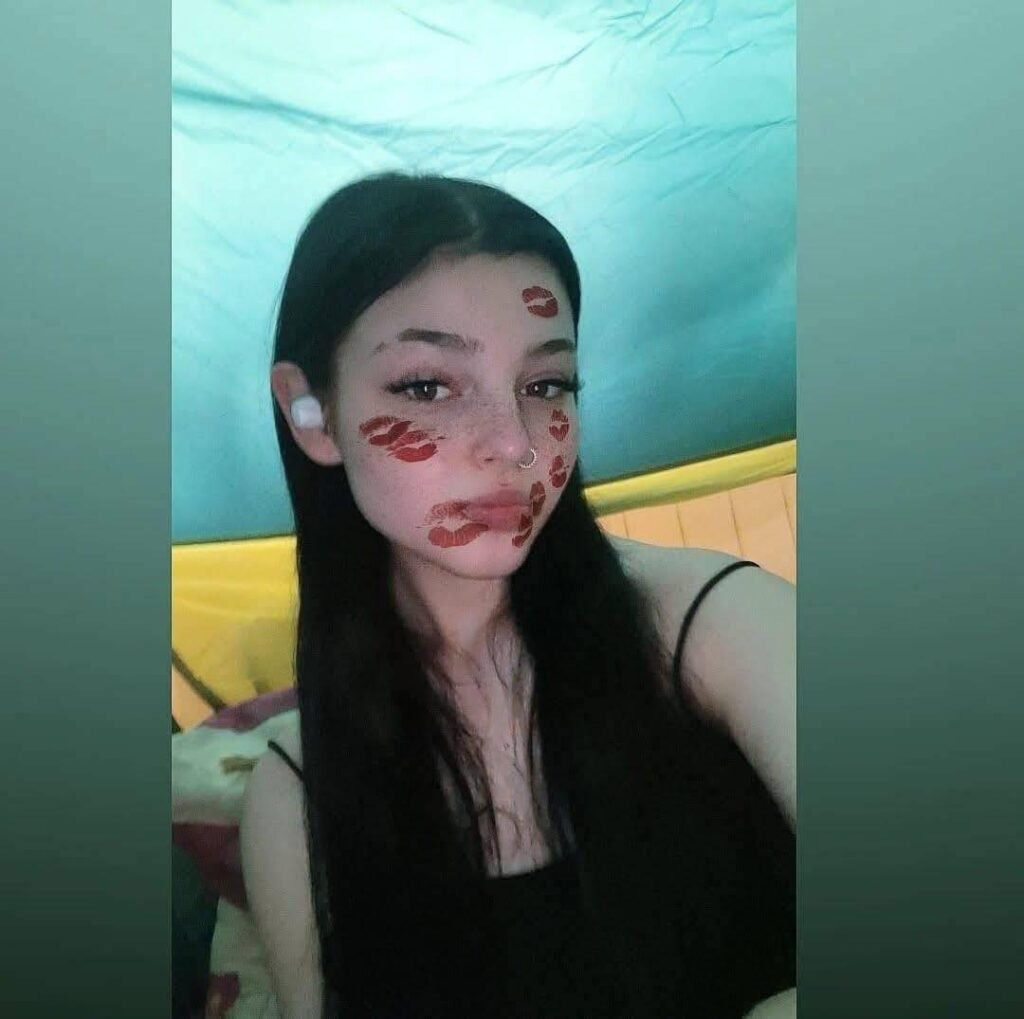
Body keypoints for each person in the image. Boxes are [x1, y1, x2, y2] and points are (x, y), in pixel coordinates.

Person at [240, 172, 796, 1018]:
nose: (514, 446)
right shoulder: (296, 794)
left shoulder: (716, 624)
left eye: (546, 385)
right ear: (310, 412)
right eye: (428, 385)